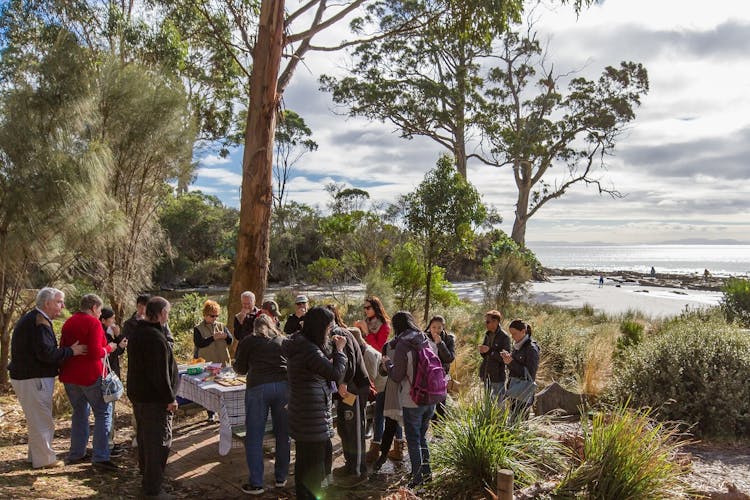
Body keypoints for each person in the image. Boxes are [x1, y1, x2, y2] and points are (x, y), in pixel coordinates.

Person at [9, 287, 87, 469]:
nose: (62, 306)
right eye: (59, 302)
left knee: (37, 419)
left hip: (29, 376)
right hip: (34, 377)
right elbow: (46, 354)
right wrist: (71, 351)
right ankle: (45, 460)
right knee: (43, 420)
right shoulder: (39, 321)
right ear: (47, 303)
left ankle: (35, 456)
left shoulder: (37, 319)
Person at [282, 307, 347, 500]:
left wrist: (332, 348)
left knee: (304, 462)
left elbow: (321, 359)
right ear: (320, 327)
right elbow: (335, 373)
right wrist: (341, 351)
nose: (331, 330)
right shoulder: (309, 349)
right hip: (312, 415)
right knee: (313, 466)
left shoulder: (300, 342)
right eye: (329, 326)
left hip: (303, 411)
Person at [127, 296, 179, 499]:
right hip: (154, 400)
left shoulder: (139, 332)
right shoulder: (154, 338)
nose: (168, 316)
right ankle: (152, 489)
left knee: (146, 440)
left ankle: (147, 477)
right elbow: (159, 374)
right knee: (158, 443)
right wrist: (170, 398)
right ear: (161, 314)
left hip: (141, 396)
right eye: (167, 312)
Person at [59, 294, 118, 470]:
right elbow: (94, 352)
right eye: (100, 310)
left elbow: (63, 347)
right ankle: (100, 456)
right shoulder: (93, 323)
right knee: (103, 412)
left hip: (70, 375)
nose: (100, 314)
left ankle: (77, 452)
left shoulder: (69, 322)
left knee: (79, 412)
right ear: (93, 308)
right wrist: (109, 347)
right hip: (90, 375)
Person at [233, 315, 290, 496]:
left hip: (258, 387)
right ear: (272, 325)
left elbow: (240, 369)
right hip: (283, 386)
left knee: (254, 436)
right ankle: (281, 477)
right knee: (283, 433)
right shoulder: (281, 340)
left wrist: (237, 364)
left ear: (255, 328)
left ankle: (257, 482)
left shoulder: (249, 341)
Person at [382, 311, 438, 489]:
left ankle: (417, 479)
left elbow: (397, 376)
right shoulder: (426, 340)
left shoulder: (402, 346)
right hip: (432, 396)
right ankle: (427, 473)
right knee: (422, 437)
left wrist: (387, 364)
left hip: (412, 398)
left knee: (413, 439)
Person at [326, 305, 370, 488]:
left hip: (355, 388)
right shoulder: (330, 335)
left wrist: (343, 382)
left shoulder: (339, 332)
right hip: (343, 391)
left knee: (355, 430)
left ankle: (360, 471)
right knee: (344, 429)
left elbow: (349, 360)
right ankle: (350, 464)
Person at [100, 307, 128, 456]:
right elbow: (109, 354)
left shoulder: (108, 332)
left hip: (110, 375)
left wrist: (118, 339)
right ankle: (107, 445)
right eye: (111, 319)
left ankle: (108, 443)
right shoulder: (102, 333)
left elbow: (119, 348)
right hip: (107, 377)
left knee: (109, 412)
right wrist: (118, 338)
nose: (114, 322)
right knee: (107, 412)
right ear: (104, 320)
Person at [501, 319, 540, 419]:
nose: (512, 337)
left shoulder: (532, 348)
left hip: (524, 392)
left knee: (521, 422)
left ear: (523, 331)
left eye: (514, 333)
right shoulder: (518, 345)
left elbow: (530, 374)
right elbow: (515, 367)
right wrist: (508, 360)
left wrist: (511, 362)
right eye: (511, 334)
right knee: (513, 421)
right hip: (514, 389)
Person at [425, 315, 455, 421]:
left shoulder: (448, 339)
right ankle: (426, 431)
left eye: (439, 327)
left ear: (443, 327)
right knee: (428, 405)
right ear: (429, 327)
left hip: (441, 376)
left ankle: (439, 435)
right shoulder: (424, 338)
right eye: (434, 327)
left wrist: (440, 344)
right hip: (426, 375)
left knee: (441, 405)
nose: (436, 330)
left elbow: (450, 358)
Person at [478, 310, 511, 403]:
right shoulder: (488, 334)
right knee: (488, 403)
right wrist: (483, 351)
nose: (486, 324)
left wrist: (489, 351)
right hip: (486, 374)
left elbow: (505, 358)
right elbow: (485, 355)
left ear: (496, 322)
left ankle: (500, 418)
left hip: (497, 377)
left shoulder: (504, 337)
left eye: (488, 321)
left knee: (499, 404)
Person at [193, 299, 233, 366]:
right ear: (205, 315)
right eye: (212, 316)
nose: (215, 318)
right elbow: (199, 343)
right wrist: (213, 338)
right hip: (206, 365)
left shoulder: (222, 326)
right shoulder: (198, 328)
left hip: (223, 363)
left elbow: (230, 341)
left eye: (216, 316)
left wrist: (226, 336)